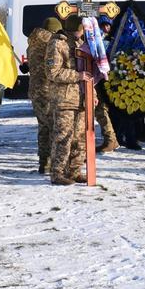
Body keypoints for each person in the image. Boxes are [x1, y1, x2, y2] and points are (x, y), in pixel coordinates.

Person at [45, 15, 92, 185]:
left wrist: (91, 94)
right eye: (81, 30)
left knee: (80, 138)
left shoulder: (80, 44)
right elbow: (53, 72)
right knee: (63, 137)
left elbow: (88, 72)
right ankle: (57, 173)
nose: (82, 33)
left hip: (81, 98)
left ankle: (74, 171)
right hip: (64, 99)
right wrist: (77, 76)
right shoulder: (57, 44)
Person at [26, 16, 61, 172]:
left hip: (35, 90)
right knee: (54, 127)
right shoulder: (50, 41)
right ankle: (54, 162)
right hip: (48, 89)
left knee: (43, 127)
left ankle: (44, 162)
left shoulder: (32, 43)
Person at [94, 15, 120, 153]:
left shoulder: (115, 39)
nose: (106, 28)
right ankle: (110, 139)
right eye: (103, 25)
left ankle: (111, 139)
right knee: (100, 110)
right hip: (100, 79)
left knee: (101, 110)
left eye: (108, 25)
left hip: (108, 80)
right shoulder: (97, 39)